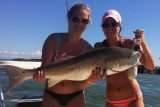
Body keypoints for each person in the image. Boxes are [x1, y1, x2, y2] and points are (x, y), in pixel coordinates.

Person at [33, 3, 103, 107]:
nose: (80, 23)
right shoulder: (53, 39)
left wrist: (91, 80)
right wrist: (39, 77)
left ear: (87, 24)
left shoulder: (88, 49)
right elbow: (43, 69)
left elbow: (82, 83)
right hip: (51, 94)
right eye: (76, 19)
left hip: (76, 96)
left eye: (84, 21)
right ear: (68, 18)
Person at [94, 10, 155, 107]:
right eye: (106, 24)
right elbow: (96, 74)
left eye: (113, 24)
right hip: (111, 101)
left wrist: (143, 42)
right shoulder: (99, 47)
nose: (109, 27)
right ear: (102, 27)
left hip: (133, 99)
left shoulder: (129, 44)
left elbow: (151, 66)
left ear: (119, 26)